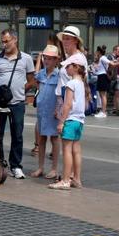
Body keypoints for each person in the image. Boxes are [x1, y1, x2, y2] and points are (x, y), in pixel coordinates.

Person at [0, 29, 35, 179]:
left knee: (17, 135)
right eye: (2, 41)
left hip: (17, 103)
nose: (4, 44)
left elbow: (31, 80)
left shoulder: (26, 58)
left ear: (15, 40)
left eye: (6, 41)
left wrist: (21, 90)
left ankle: (15, 165)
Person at [50, 61, 88, 190]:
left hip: (70, 119)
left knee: (66, 150)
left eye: (68, 66)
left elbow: (67, 104)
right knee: (76, 150)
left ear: (76, 67)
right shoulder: (82, 84)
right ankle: (76, 179)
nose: (65, 69)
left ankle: (65, 180)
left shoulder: (71, 84)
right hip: (79, 120)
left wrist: (61, 121)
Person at [31, 45, 61, 180]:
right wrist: (38, 60)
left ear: (56, 60)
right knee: (41, 138)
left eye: (50, 59)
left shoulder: (59, 75)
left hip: (53, 110)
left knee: (54, 139)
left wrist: (58, 110)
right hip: (42, 110)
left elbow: (61, 95)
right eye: (45, 58)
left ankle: (54, 168)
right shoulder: (41, 74)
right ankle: (40, 167)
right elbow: (35, 77)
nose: (47, 61)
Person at [91, 46, 110, 117]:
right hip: (101, 76)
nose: (95, 53)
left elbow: (110, 63)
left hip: (102, 76)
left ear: (99, 52)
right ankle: (103, 111)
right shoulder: (101, 58)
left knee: (103, 95)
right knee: (102, 95)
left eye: (96, 51)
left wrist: (116, 63)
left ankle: (103, 111)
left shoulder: (102, 58)